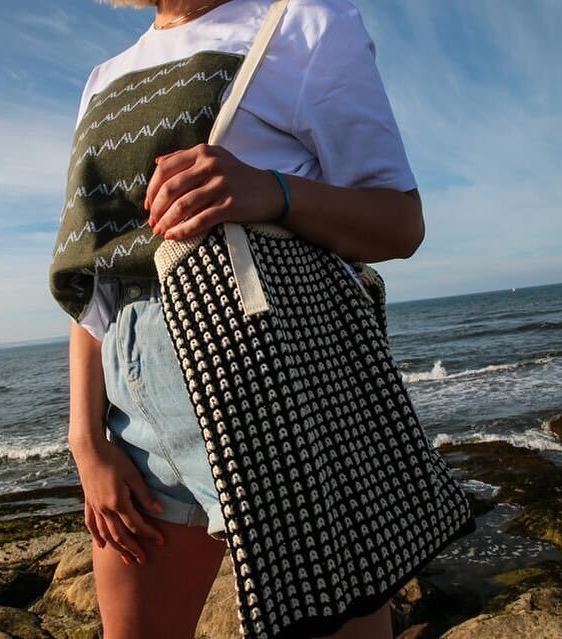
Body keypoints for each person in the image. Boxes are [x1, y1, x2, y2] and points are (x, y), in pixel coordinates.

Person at [63, 0, 423, 637]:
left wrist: (272, 193)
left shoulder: (303, 23)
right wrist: (88, 443)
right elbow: (95, 279)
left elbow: (399, 222)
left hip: (282, 402)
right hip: (139, 420)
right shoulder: (102, 77)